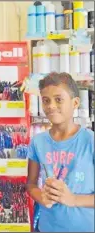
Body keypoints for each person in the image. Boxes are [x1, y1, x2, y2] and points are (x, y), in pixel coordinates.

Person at [27, 72, 94, 232]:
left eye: (59, 99)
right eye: (46, 100)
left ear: (75, 103)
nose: (51, 106)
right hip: (48, 226)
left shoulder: (90, 141)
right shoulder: (38, 142)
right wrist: (41, 197)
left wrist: (73, 199)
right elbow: (30, 185)